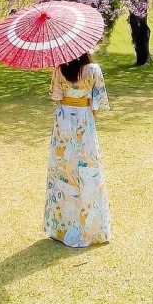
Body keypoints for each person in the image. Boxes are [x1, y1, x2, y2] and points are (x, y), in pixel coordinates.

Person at [45, 51, 111, 248]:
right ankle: (88, 226)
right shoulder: (93, 70)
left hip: (63, 120)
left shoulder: (60, 68)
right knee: (87, 170)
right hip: (84, 118)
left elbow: (55, 96)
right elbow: (98, 102)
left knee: (63, 170)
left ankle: (61, 227)